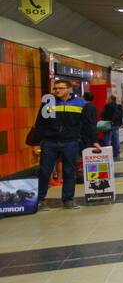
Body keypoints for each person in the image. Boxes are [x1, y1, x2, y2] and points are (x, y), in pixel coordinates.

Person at [31, 78, 100, 210]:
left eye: (60, 88)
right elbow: (40, 124)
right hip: (49, 142)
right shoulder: (48, 103)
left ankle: (68, 200)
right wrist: (35, 143)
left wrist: (94, 141)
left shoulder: (81, 104)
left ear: (69, 89)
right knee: (44, 172)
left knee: (69, 172)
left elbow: (88, 126)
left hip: (70, 142)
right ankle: (40, 200)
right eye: (55, 88)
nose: (57, 91)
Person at [99, 93, 123, 159]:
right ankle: (116, 153)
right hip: (116, 124)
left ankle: (107, 154)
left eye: (107, 99)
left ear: (110, 99)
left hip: (108, 124)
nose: (105, 100)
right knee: (116, 139)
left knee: (107, 139)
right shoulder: (119, 106)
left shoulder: (107, 106)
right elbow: (120, 116)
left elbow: (103, 115)